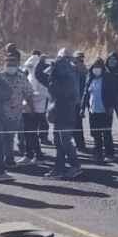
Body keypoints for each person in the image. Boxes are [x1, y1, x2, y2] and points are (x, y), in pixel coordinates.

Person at [41, 48, 83, 179]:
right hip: (59, 111)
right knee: (58, 142)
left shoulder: (70, 74)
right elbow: (41, 77)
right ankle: (59, 167)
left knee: (64, 141)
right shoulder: (60, 73)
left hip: (66, 112)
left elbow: (56, 90)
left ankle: (75, 166)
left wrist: (52, 72)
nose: (62, 62)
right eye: (60, 59)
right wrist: (43, 64)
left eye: (64, 59)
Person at [0, 48, 33, 168]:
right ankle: (7, 159)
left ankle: (14, 157)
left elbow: (28, 93)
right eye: (8, 65)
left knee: (14, 136)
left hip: (17, 112)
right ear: (4, 65)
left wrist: (31, 107)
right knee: (5, 137)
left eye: (13, 65)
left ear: (17, 65)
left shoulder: (21, 77)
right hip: (1, 112)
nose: (11, 67)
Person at [81, 58, 116, 164]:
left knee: (106, 133)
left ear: (102, 68)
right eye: (95, 67)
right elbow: (85, 94)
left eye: (98, 67)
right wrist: (82, 108)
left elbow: (113, 94)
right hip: (93, 111)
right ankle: (98, 154)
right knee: (95, 134)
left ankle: (109, 154)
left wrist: (111, 107)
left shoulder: (108, 78)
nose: (96, 69)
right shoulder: (90, 79)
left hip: (105, 111)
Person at [21, 54, 49, 165]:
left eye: (32, 66)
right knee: (27, 133)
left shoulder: (41, 77)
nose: (30, 68)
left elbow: (44, 94)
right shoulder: (30, 77)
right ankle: (28, 155)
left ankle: (39, 156)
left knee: (32, 133)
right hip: (27, 108)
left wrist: (29, 98)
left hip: (36, 110)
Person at [72, 51, 88, 151]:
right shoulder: (72, 69)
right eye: (78, 59)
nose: (80, 60)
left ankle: (80, 144)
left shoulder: (83, 69)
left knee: (78, 124)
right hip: (71, 101)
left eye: (81, 59)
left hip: (79, 101)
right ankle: (77, 142)